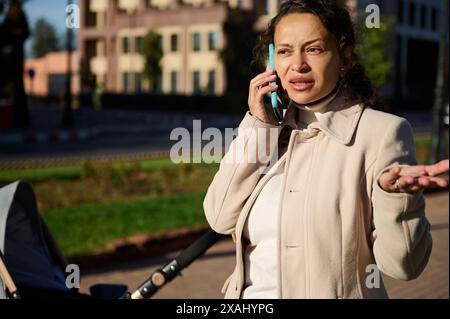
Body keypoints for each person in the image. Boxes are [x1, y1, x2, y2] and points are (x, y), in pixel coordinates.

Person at [203, 0, 449, 299]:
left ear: (345, 55)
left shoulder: (383, 133)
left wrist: (396, 198)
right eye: (284, 51)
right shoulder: (268, 131)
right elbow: (219, 217)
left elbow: (405, 267)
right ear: (271, 62)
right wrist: (259, 125)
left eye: (314, 49)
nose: (298, 64)